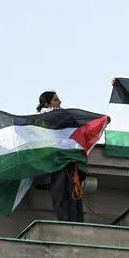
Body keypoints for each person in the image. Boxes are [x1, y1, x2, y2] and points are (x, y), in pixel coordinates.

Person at [35, 91, 84, 223]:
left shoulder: (66, 118)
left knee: (74, 197)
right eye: (56, 100)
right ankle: (65, 224)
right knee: (60, 195)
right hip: (54, 164)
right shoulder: (39, 120)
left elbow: (76, 135)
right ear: (47, 103)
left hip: (69, 163)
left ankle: (76, 225)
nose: (60, 102)